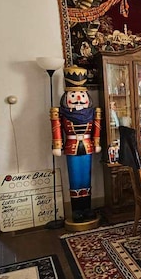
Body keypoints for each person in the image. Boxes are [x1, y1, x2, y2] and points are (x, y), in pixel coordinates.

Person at [50, 66, 101, 223]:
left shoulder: (91, 113)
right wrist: (57, 145)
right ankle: (76, 210)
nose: (78, 97)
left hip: (87, 145)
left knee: (86, 177)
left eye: (80, 94)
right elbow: (56, 128)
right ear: (67, 97)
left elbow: (97, 128)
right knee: (74, 178)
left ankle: (87, 207)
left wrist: (96, 142)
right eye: (73, 94)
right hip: (71, 146)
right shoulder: (63, 113)